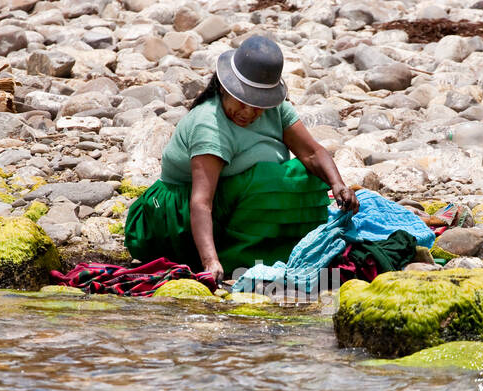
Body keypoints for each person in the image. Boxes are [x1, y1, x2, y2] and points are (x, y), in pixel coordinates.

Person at [124, 34, 359, 283]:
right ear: (225, 88)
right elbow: (201, 202)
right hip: (173, 217)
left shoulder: (275, 110)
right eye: (242, 101)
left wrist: (338, 184)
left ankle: (277, 250)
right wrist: (210, 262)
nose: (248, 112)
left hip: (234, 200)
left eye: (258, 104)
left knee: (306, 175)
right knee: (265, 181)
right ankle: (236, 258)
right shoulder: (210, 125)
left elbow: (312, 153)